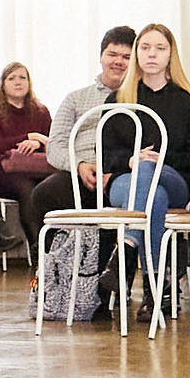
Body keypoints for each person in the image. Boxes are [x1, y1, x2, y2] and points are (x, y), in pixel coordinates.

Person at [98, 22, 190, 317]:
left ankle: (127, 248)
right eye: (145, 47)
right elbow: (105, 154)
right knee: (153, 197)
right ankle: (156, 290)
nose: (152, 54)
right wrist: (131, 160)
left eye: (160, 48)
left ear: (171, 54)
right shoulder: (117, 100)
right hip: (126, 181)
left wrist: (160, 158)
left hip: (175, 180)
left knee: (151, 175)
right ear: (136, 53)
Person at [26, 26, 134, 253]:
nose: (118, 62)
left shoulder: (141, 99)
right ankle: (51, 264)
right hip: (79, 175)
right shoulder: (75, 99)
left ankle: (110, 266)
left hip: (123, 175)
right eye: (112, 54)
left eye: (126, 57)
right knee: (42, 195)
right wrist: (79, 165)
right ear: (101, 56)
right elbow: (55, 146)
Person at [0, 62, 51, 242]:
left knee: (52, 188)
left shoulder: (41, 112)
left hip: (34, 169)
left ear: (29, 83)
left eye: (22, 78)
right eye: (11, 78)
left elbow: (52, 143)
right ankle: (38, 247)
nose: (18, 82)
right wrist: (29, 136)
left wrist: (36, 143)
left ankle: (60, 245)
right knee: (26, 189)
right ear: (3, 84)